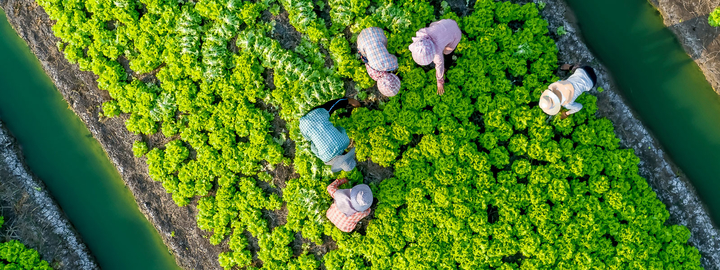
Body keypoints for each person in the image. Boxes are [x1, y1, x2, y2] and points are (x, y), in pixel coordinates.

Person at [299, 98, 361, 172]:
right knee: (310, 137)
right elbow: (313, 147)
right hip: (303, 125)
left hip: (318, 114)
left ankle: (350, 101)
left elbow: (340, 128)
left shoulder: (345, 142)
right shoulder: (325, 159)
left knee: (333, 105)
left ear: (347, 153)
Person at [408, 19, 462, 95]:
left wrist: (440, 82)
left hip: (455, 35)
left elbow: (440, 65)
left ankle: (447, 66)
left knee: (447, 52)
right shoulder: (422, 34)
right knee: (432, 25)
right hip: (447, 23)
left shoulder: (437, 54)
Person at [357, 27, 401, 97]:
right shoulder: (373, 75)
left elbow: (394, 59)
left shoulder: (392, 64)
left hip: (376, 33)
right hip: (360, 41)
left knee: (382, 45)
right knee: (365, 58)